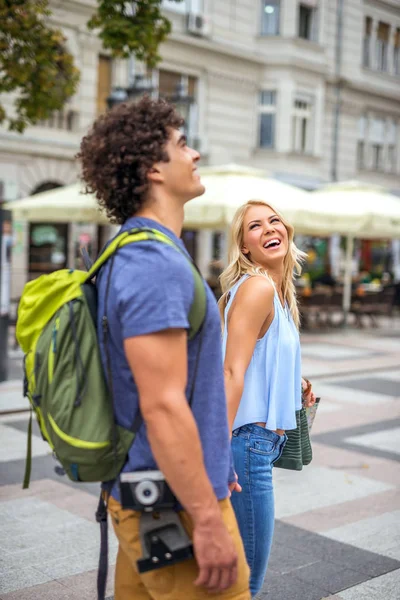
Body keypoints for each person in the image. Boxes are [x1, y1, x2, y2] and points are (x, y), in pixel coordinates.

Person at [78, 96, 250, 600]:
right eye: (182, 144)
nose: (195, 154)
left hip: (150, 492)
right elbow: (162, 404)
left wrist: (218, 462)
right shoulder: (153, 263)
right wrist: (207, 519)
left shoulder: (138, 252)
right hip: (169, 503)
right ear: (154, 168)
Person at [219, 200, 316, 597]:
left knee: (235, 577)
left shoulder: (270, 292)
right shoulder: (257, 287)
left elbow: (243, 358)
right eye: (255, 226)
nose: (269, 229)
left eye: (274, 220)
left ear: (287, 231)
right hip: (246, 447)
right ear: (244, 246)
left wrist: (292, 382)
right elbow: (229, 372)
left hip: (255, 443)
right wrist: (216, 456)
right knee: (247, 583)